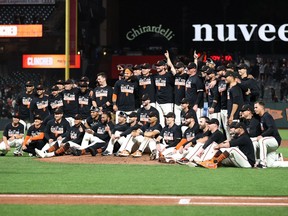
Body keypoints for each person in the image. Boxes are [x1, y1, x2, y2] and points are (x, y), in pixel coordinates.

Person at [253, 101, 286, 168]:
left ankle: (262, 163)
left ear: (262, 107)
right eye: (254, 107)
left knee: (261, 140)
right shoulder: (261, 117)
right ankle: (277, 157)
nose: (255, 109)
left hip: (274, 140)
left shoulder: (267, 116)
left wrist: (262, 136)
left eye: (256, 107)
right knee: (270, 164)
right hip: (269, 141)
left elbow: (271, 129)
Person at [154, 59, 175, 126]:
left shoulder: (169, 75)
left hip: (167, 101)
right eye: (157, 66)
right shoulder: (155, 76)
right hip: (158, 101)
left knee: (169, 119)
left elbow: (175, 73)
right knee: (160, 120)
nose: (157, 67)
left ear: (164, 66)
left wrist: (169, 59)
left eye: (159, 66)